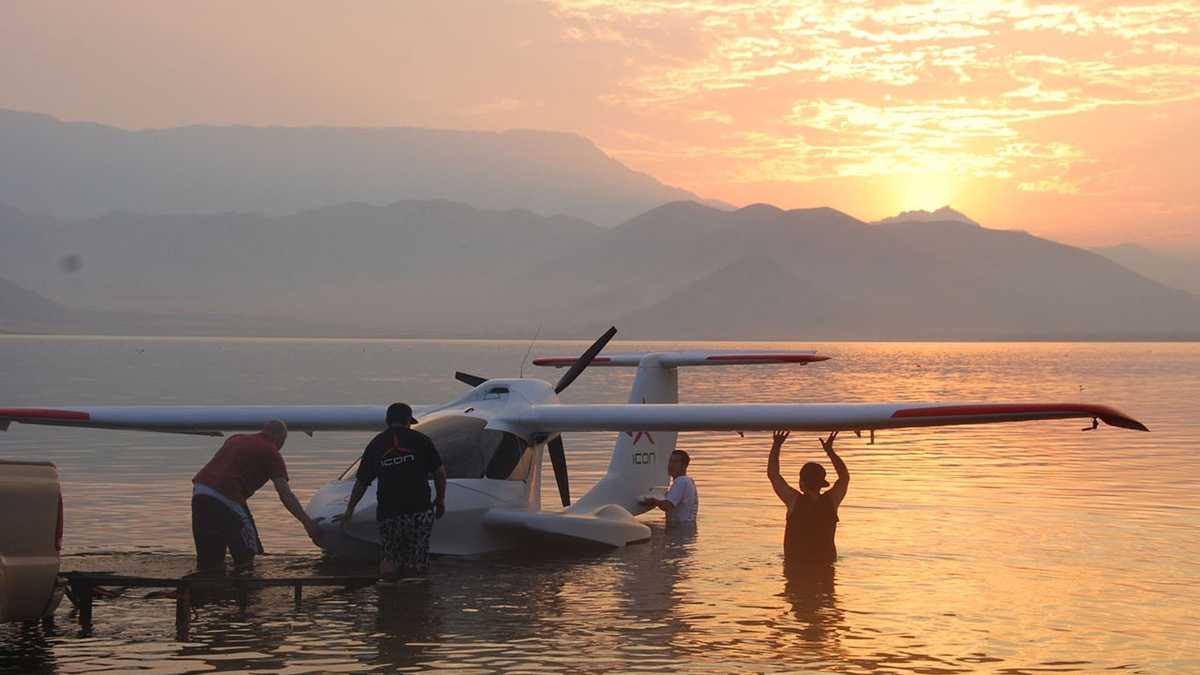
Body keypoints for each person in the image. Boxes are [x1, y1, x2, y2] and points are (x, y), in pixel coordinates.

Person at [191, 420, 321, 572]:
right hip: (227, 497)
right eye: (283, 442)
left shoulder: (235, 439)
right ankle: (247, 591)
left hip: (200, 493)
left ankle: (206, 590)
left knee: (209, 559)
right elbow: (285, 494)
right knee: (247, 556)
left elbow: (225, 475)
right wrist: (307, 523)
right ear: (279, 437)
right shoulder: (271, 453)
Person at [340, 402, 447, 579]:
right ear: (408, 420)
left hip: (389, 512)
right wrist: (441, 499)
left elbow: (361, 482)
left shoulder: (376, 444)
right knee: (417, 557)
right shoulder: (421, 440)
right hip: (419, 509)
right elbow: (440, 473)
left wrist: (350, 509)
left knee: (390, 557)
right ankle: (417, 599)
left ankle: (388, 597)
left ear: (387, 421)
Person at [767, 430, 848, 566]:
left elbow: (773, 474)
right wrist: (830, 451)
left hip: (796, 566)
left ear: (802, 483)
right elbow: (844, 477)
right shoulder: (832, 500)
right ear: (821, 483)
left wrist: (777, 445)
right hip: (825, 568)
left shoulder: (794, 500)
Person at [640, 449, 698, 524]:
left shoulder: (681, 481)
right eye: (670, 461)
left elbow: (667, 506)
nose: (671, 465)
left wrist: (653, 501)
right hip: (687, 527)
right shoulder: (688, 481)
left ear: (684, 466)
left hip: (679, 529)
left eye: (675, 462)